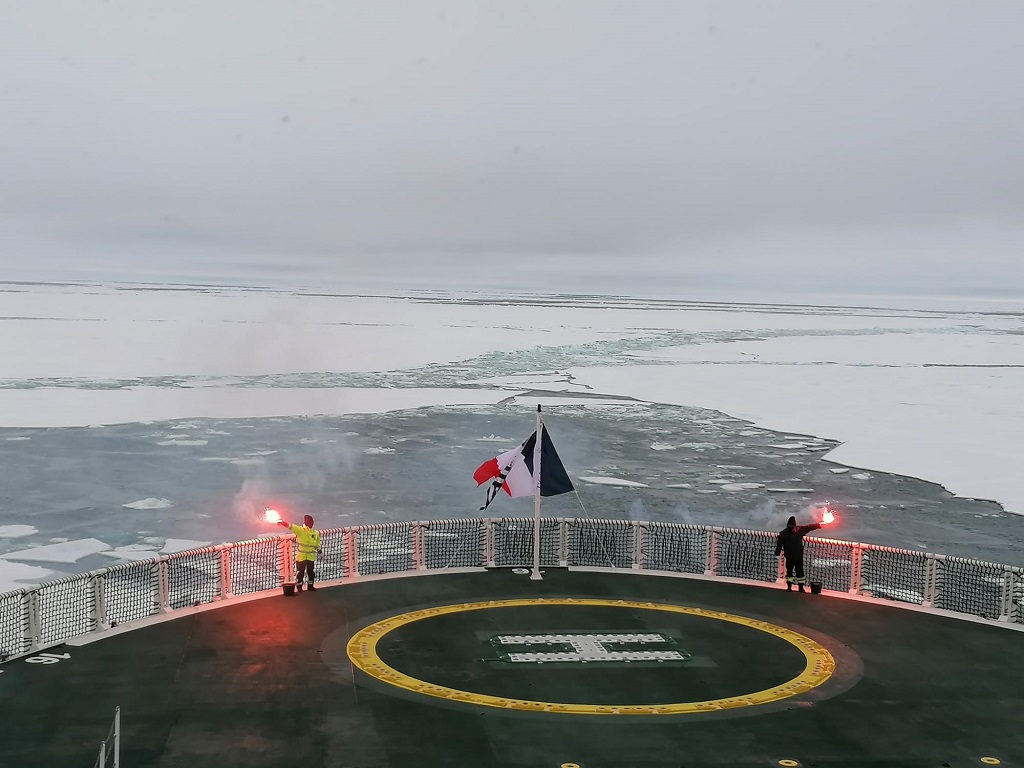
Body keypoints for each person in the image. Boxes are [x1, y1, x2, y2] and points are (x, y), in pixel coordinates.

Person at [774, 515, 821, 592]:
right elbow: (808, 527)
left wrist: (777, 553)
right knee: (797, 572)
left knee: (792, 572)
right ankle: (798, 587)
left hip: (791, 556)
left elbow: (779, 545)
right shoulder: (798, 530)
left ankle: (792, 587)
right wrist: (817, 525)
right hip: (796, 556)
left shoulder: (783, 533)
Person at [277, 514, 321, 591]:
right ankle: (299, 586)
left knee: (311, 572)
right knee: (300, 572)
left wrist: (320, 551)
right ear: (307, 523)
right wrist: (282, 522)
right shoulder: (300, 530)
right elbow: (290, 526)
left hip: (311, 556)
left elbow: (317, 544)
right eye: (310, 522)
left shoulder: (315, 533)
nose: (312, 524)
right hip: (301, 556)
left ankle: (310, 586)